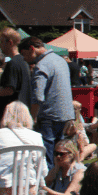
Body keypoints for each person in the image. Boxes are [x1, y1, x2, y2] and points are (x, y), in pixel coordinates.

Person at [22, 37, 75, 169]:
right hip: (65, 114)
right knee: (62, 155)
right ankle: (60, 183)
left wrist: (31, 118)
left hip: (48, 116)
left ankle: (48, 185)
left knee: (48, 157)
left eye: (24, 54)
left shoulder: (42, 65)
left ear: (32, 49)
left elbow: (38, 96)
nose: (24, 58)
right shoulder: (60, 60)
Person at [0, 27, 31, 126]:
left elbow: (9, 90)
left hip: (12, 115)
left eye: (1, 42)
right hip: (22, 112)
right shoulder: (23, 62)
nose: (0, 45)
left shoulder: (13, 63)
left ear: (10, 42)